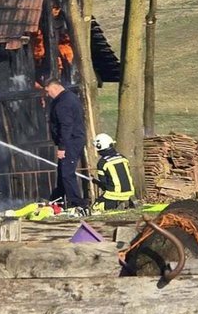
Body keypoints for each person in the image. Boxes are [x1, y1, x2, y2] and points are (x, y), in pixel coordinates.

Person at [45, 77, 88, 216]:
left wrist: (62, 147)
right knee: (62, 172)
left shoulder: (64, 102)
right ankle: (58, 201)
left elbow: (66, 126)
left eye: (48, 91)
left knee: (67, 173)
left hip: (71, 142)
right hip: (72, 140)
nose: (47, 95)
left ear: (56, 87)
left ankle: (78, 203)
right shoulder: (70, 98)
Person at [91, 133, 135, 211]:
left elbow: (104, 182)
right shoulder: (123, 157)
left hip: (114, 193)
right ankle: (127, 202)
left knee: (96, 206)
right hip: (129, 191)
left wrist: (98, 183)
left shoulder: (102, 162)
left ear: (99, 146)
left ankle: (116, 205)